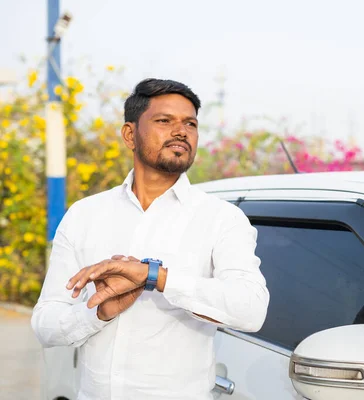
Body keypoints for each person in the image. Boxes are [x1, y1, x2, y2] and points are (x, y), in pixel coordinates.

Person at [31, 78, 270, 400]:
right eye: (164, 121)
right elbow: (45, 324)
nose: (181, 131)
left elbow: (251, 310)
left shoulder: (221, 218)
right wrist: (98, 312)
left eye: (190, 123)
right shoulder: (85, 214)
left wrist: (155, 277)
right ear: (130, 134)